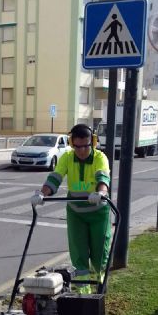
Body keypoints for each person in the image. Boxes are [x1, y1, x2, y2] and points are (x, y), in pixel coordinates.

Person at [31, 124, 111, 294]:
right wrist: (42, 194)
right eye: (77, 146)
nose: (81, 150)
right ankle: (84, 294)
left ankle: (100, 289)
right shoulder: (67, 157)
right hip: (76, 214)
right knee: (78, 255)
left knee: (99, 255)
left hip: (98, 213)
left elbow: (103, 178)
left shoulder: (100, 157)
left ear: (93, 143)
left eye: (85, 146)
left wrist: (101, 192)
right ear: (72, 144)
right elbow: (55, 178)